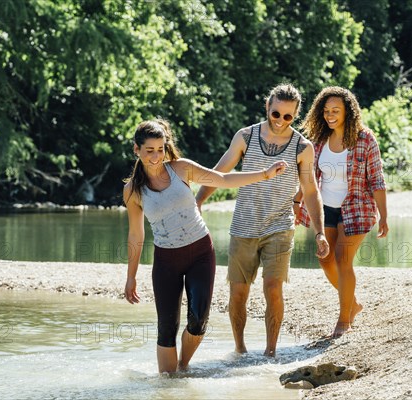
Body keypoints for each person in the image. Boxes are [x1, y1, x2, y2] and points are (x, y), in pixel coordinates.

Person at [123, 119, 288, 373]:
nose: (156, 156)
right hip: (166, 260)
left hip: (200, 252)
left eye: (160, 149)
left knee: (198, 320)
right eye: (149, 151)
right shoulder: (133, 190)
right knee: (166, 329)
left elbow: (222, 178)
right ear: (137, 150)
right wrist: (131, 276)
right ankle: (169, 386)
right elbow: (136, 234)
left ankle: (183, 366)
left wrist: (264, 174)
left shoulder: (182, 169)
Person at [195, 83, 329, 358]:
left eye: (288, 117)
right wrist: (197, 201)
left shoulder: (302, 148)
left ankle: (270, 353)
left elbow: (312, 191)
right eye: (276, 114)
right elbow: (220, 172)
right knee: (238, 294)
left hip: (279, 227)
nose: (280, 121)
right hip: (243, 226)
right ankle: (240, 350)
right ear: (267, 107)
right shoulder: (246, 137)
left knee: (273, 289)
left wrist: (320, 233)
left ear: (296, 116)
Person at [295, 86, 388, 338]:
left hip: (356, 208)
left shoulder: (365, 139)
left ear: (349, 111)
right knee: (325, 260)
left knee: (342, 259)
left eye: (335, 110)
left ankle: (343, 319)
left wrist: (384, 216)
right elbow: (308, 178)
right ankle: (353, 303)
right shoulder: (319, 140)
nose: (330, 115)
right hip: (325, 209)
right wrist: (296, 202)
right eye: (326, 111)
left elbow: (377, 180)